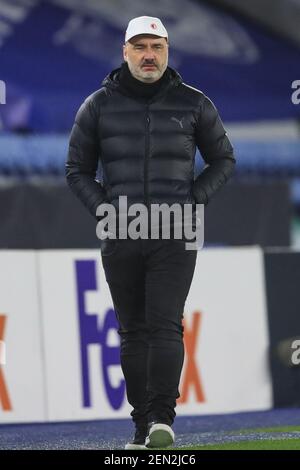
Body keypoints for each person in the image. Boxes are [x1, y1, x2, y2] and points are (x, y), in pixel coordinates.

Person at [66, 16, 235, 449]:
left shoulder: (195, 103)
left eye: (156, 47)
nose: (148, 55)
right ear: (124, 52)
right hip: (119, 231)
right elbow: (77, 170)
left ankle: (162, 420)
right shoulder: (97, 105)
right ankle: (142, 428)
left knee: (164, 326)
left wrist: (194, 201)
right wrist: (104, 208)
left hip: (176, 231)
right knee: (132, 331)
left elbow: (223, 159)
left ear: (167, 52)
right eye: (139, 46)